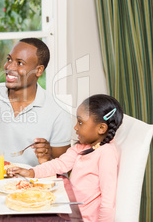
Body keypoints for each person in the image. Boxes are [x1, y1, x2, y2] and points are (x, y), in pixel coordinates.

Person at [7, 94, 123, 222]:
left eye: (80, 122)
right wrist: (31, 172)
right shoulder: (82, 147)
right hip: (67, 211)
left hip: (80, 218)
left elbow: (108, 202)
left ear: (101, 128)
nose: (75, 127)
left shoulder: (106, 154)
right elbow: (59, 164)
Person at [0, 38, 72, 166]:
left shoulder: (58, 112)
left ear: (39, 70)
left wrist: (48, 156)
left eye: (20, 63)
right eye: (9, 59)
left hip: (34, 184)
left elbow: (63, 168)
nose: (9, 67)